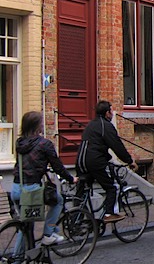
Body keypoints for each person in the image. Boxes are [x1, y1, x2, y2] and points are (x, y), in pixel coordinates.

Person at [12, 111, 78, 245]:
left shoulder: (20, 143)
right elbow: (58, 166)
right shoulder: (45, 144)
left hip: (16, 188)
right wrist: (71, 179)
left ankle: (20, 257)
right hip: (32, 190)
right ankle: (48, 234)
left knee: (26, 225)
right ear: (37, 126)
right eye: (41, 123)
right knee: (58, 201)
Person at [76, 101, 138, 223]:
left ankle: (76, 221)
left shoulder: (90, 125)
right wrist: (129, 161)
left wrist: (108, 158)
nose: (113, 114)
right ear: (107, 113)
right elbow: (117, 146)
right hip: (95, 162)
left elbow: (95, 145)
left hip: (80, 161)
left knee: (81, 192)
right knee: (111, 188)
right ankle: (109, 214)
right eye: (111, 111)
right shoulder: (106, 126)